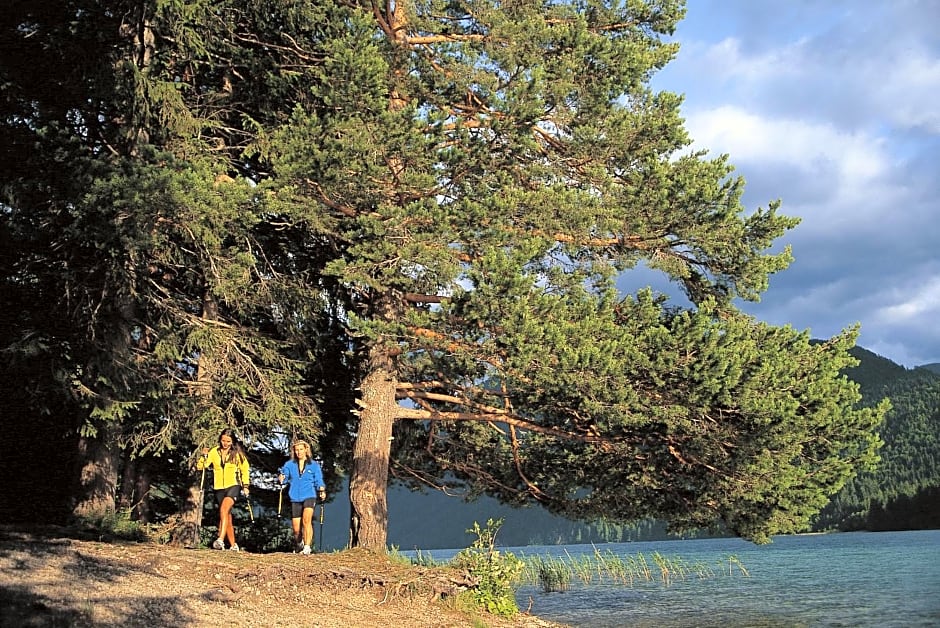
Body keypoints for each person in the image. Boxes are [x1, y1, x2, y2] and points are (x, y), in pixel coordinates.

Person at [197, 428, 250, 551]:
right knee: (226, 516)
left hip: (233, 485)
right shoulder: (214, 452)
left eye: (228, 441)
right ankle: (233, 545)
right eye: (223, 441)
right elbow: (201, 466)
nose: (225, 444)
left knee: (224, 509)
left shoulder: (237, 453)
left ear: (233, 442)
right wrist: (203, 456)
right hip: (219, 487)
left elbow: (245, 469)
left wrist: (246, 486)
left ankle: (220, 540)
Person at [279, 440, 326, 554]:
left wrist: (321, 489)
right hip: (295, 497)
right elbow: (284, 477)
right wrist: (282, 478)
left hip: (309, 495)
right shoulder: (289, 465)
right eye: (296, 450)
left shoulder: (313, 465)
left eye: (301, 449)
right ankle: (299, 543)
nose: (299, 452)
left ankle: (307, 546)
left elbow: (318, 479)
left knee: (306, 520)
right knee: (296, 529)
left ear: (306, 450)